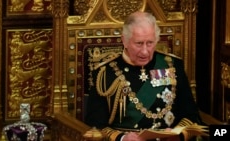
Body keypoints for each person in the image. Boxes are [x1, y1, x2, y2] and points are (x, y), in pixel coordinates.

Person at [84, 11, 203, 141]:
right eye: (139, 43)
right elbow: (95, 125)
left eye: (150, 43)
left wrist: (178, 134)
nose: (145, 51)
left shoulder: (172, 65)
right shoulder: (105, 73)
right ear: (125, 40)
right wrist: (122, 138)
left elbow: (191, 115)